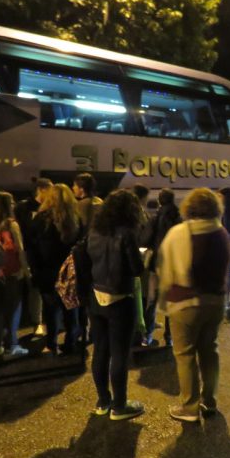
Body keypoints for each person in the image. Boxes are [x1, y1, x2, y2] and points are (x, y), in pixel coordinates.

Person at [157, 187, 230, 423]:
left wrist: (162, 301)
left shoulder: (179, 233)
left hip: (185, 303)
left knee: (185, 354)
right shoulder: (221, 232)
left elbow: (165, 270)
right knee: (209, 351)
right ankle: (209, 401)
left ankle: (189, 407)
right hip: (216, 302)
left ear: (189, 207)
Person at [86, 189, 146, 420]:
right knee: (119, 354)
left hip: (96, 296)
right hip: (120, 299)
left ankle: (103, 401)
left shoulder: (95, 231)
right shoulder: (127, 233)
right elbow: (136, 269)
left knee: (100, 351)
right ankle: (119, 406)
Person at [26, 183, 81, 356]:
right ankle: (71, 342)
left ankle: (51, 344)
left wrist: (35, 270)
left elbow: (31, 248)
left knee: (51, 311)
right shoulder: (75, 219)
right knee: (70, 309)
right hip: (70, 272)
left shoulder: (40, 220)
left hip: (47, 271)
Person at [0, 191, 30, 360]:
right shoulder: (11, 224)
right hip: (11, 272)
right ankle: (11, 347)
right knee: (12, 310)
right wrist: (25, 270)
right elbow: (20, 249)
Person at [143, 188, 181, 347]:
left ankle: (148, 335)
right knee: (171, 300)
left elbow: (145, 239)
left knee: (152, 300)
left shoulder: (155, 218)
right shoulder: (179, 219)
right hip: (173, 265)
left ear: (160, 201)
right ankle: (169, 337)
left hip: (157, 264)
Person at [15, 178, 53, 336]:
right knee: (32, 288)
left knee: (42, 289)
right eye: (49, 190)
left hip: (45, 253)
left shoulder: (51, 208)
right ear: (41, 189)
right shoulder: (23, 207)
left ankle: (43, 321)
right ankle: (36, 321)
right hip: (28, 251)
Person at [72, 172, 103, 347]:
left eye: (75, 186)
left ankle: (82, 330)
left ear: (81, 188)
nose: (73, 189)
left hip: (83, 253)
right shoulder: (100, 203)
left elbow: (76, 230)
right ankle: (94, 329)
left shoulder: (79, 206)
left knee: (83, 292)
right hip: (98, 251)